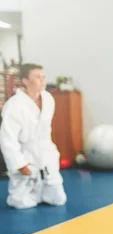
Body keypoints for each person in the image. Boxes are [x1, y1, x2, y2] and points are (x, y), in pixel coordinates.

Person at [0, 63, 67, 209]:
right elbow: (8, 139)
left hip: (45, 152)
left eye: (43, 77)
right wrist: (19, 163)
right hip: (26, 154)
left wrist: (49, 154)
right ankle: (23, 193)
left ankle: (44, 192)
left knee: (58, 199)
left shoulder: (48, 99)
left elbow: (44, 130)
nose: (42, 80)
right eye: (37, 77)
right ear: (24, 81)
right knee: (22, 203)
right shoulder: (14, 105)